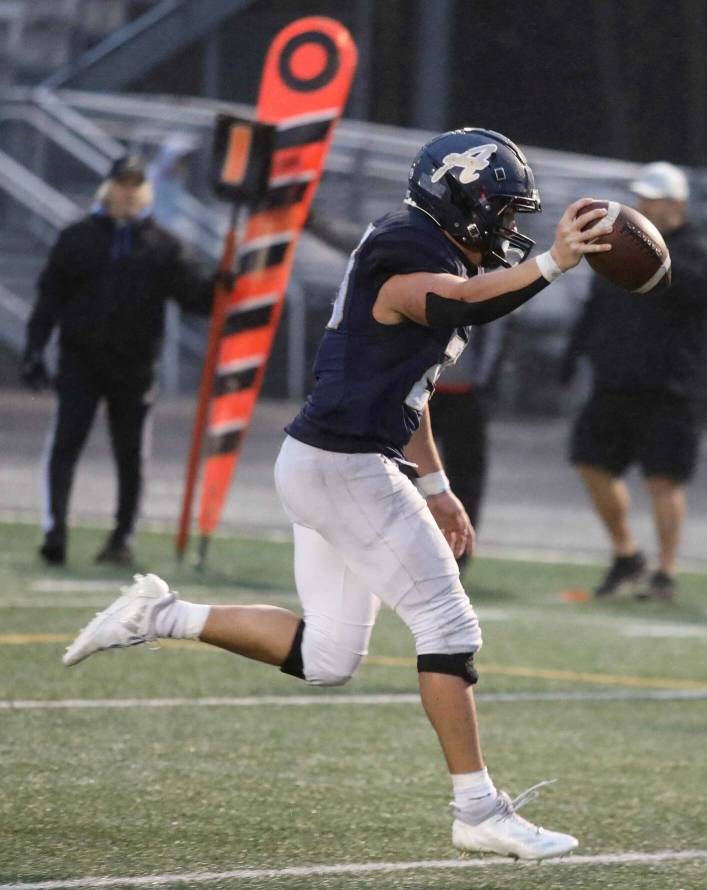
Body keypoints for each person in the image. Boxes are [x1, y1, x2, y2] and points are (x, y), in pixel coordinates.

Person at [62, 128, 612, 860]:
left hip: (329, 461)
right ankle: (478, 809)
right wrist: (554, 264)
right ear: (460, 201)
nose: (512, 229)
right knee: (449, 627)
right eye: (502, 212)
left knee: (326, 658)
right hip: (345, 467)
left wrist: (439, 487)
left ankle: (159, 613)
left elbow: (405, 391)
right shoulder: (408, 250)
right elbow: (456, 305)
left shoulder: (431, 246)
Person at [21, 154, 216, 567]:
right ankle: (54, 534)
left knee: (131, 457)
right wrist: (35, 349)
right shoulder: (77, 238)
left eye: (135, 185)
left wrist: (223, 283)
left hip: (135, 367)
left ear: (144, 191)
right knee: (65, 446)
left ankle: (122, 539)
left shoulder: (162, 245)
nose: (128, 192)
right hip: (80, 362)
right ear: (107, 188)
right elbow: (49, 297)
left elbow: (195, 298)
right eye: (122, 184)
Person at [561, 162, 707, 602]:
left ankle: (665, 572)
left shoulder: (696, 252)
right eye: (642, 197)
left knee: (663, 479)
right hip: (615, 380)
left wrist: (655, 256)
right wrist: (573, 355)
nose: (645, 204)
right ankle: (626, 554)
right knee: (589, 461)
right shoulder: (620, 247)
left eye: (654, 198)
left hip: (668, 385)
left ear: (677, 204)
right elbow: (595, 308)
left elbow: (700, 295)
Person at [429, 319, 509, 571]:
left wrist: (482, 384)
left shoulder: (481, 279)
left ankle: (456, 554)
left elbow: (495, 330)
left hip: (463, 392)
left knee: (464, 477)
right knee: (399, 471)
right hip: (420, 389)